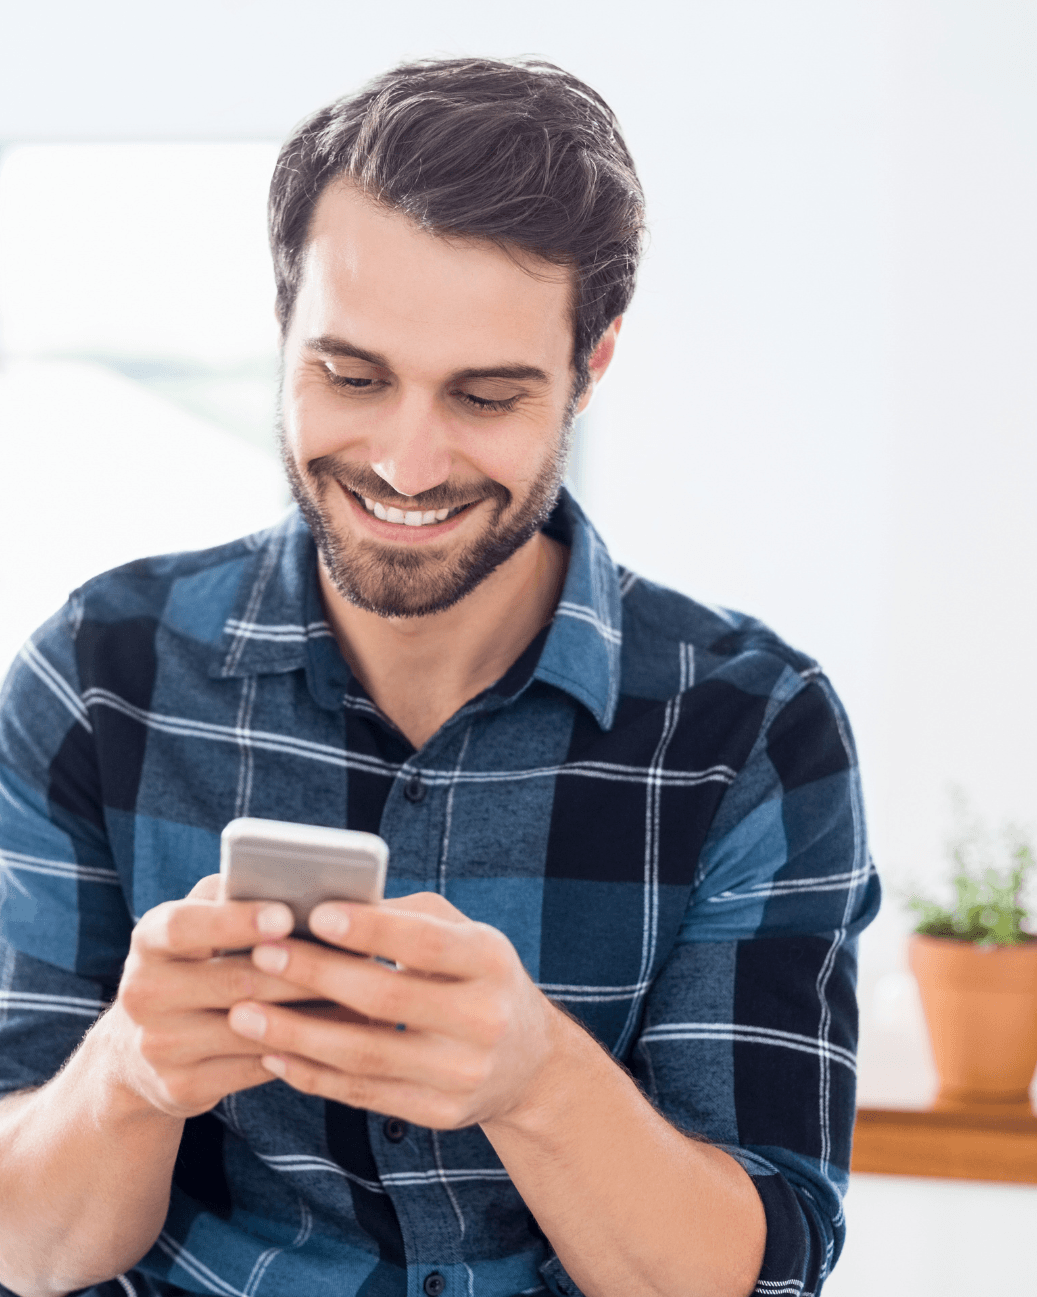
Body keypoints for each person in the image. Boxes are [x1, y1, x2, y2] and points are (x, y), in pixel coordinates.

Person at [0, 57, 879, 1297]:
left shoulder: (749, 729)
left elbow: (748, 1271)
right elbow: (26, 1247)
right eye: (351, 377)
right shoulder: (102, 673)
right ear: (282, 326)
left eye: (483, 395)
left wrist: (535, 1080)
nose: (406, 463)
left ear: (592, 362)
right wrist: (129, 1071)